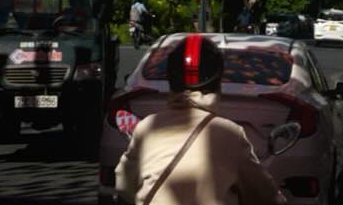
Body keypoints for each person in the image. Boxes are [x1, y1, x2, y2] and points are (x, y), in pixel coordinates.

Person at [113, 34, 284, 205]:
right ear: (217, 83)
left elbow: (123, 184)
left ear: (171, 81)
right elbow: (265, 195)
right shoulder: (230, 133)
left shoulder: (147, 127)